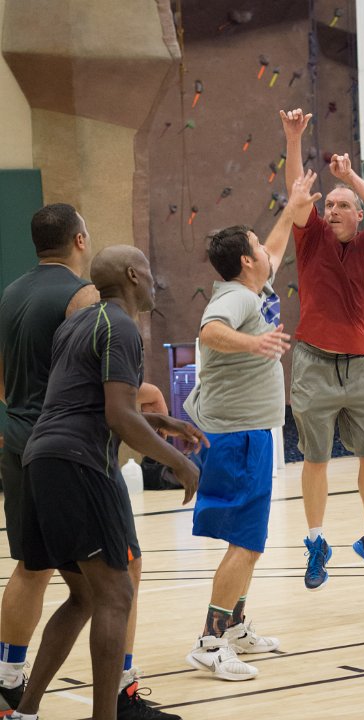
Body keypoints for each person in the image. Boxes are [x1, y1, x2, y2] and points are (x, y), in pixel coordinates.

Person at [9, 244, 208, 720]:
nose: (154, 279)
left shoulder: (78, 324)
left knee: (84, 596)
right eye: (148, 269)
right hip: (78, 464)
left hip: (41, 458)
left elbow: (85, 401)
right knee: (117, 594)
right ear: (133, 275)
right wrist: (179, 463)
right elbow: (118, 415)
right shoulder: (121, 325)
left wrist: (158, 420)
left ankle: (24, 713)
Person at [183, 170, 321, 681]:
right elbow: (210, 331)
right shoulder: (237, 298)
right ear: (246, 260)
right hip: (237, 435)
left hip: (247, 433)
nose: (267, 248)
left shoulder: (253, 287)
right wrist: (254, 343)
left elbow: (276, 245)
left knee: (251, 542)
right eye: (257, 245)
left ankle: (235, 625)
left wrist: (291, 207)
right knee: (245, 543)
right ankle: (209, 641)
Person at [279, 108, 364, 591]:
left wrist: (350, 177)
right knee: (315, 459)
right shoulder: (311, 240)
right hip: (313, 362)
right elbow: (297, 195)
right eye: (328, 204)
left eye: (341, 205)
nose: (330, 210)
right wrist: (293, 139)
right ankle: (316, 543)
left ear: (357, 214)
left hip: (363, 365)